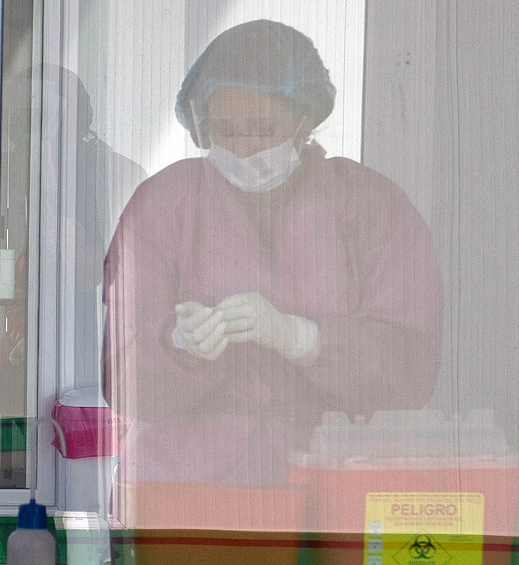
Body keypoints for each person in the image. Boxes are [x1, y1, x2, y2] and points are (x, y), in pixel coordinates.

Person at [102, 20, 442, 514]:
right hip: (182, 486)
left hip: (328, 478)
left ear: (304, 120)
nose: (242, 148)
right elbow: (123, 375)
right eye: (225, 130)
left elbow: (411, 369)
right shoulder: (163, 204)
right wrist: (176, 347)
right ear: (201, 124)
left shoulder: (371, 207)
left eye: (262, 130)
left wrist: (303, 337)